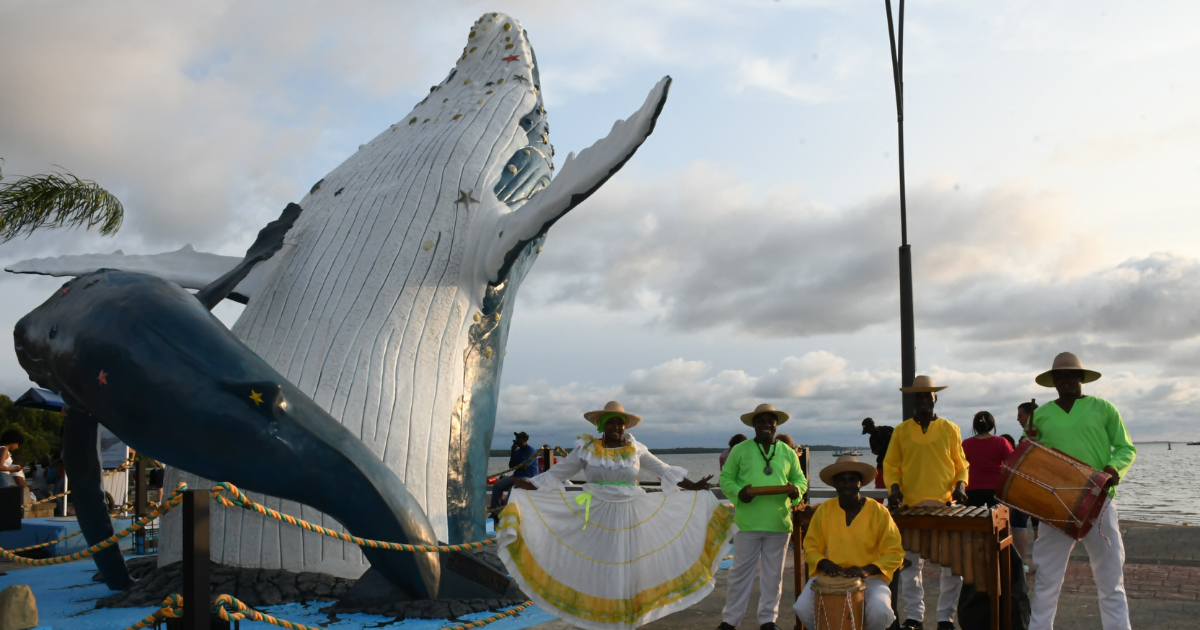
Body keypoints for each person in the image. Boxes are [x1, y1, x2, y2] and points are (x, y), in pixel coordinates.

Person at [497, 401, 730, 630]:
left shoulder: (636, 449)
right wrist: (530, 485)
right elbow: (559, 472)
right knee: (602, 565)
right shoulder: (586, 449)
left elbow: (664, 470)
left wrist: (693, 486)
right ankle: (603, 621)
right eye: (611, 423)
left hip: (631, 513)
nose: (616, 427)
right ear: (602, 426)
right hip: (598, 513)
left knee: (628, 567)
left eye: (620, 423)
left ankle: (626, 621)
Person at [1024, 353, 1136, 630]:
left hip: (1100, 501)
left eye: (1071, 375)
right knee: (1047, 578)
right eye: (1060, 376)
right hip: (1055, 505)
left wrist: (1114, 468)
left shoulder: (1104, 408)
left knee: (1110, 577)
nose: (1066, 380)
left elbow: (1126, 448)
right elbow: (1029, 456)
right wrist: (1030, 437)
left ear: (1081, 377)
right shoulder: (1041, 414)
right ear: (1053, 382)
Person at [883, 376, 969, 630]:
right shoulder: (901, 431)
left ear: (935, 398)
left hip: (944, 506)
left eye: (926, 396)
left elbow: (960, 463)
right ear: (913, 400)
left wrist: (962, 485)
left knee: (953, 568)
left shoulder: (950, 428)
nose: (922, 400)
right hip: (911, 508)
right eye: (917, 396)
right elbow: (891, 465)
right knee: (910, 568)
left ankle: (945, 618)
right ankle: (914, 617)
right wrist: (894, 488)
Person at [717, 403, 808, 630]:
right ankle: (730, 621)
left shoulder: (788, 452)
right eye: (761, 420)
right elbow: (726, 479)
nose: (766, 424)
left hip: (779, 522)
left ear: (776, 424)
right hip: (747, 522)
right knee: (739, 573)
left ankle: (768, 620)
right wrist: (740, 494)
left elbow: (800, 480)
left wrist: (796, 492)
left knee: (773, 576)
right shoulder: (740, 450)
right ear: (754, 424)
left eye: (770, 420)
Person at [794, 455, 904, 630]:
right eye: (841, 480)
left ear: (860, 483)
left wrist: (866, 570)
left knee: (881, 611)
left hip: (871, 577)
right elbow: (811, 547)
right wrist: (824, 562)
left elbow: (895, 552)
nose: (847, 484)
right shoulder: (824, 510)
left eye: (852, 479)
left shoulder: (878, 511)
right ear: (834, 484)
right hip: (830, 575)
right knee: (802, 607)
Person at [961, 411, 1013, 507]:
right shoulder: (1001, 442)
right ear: (992, 425)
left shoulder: (967, 443)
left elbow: (961, 466)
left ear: (975, 426)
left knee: (973, 520)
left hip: (973, 488)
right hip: (996, 488)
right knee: (998, 520)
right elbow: (1010, 464)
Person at [490, 431, 537, 527]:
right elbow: (511, 466)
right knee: (497, 485)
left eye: (518, 439)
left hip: (528, 477)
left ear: (525, 440)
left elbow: (524, 466)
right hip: (517, 476)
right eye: (516, 439)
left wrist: (517, 466)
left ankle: (507, 513)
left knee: (513, 489)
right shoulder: (517, 451)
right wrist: (512, 451)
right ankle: (495, 513)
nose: (516, 441)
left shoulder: (531, 451)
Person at [861, 417, 894, 490]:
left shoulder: (888, 430)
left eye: (868, 430)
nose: (869, 433)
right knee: (879, 487)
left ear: (873, 426)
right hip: (881, 465)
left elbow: (900, 439)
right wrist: (879, 449)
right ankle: (877, 502)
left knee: (896, 487)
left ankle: (893, 501)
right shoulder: (872, 439)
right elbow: (874, 452)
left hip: (895, 464)